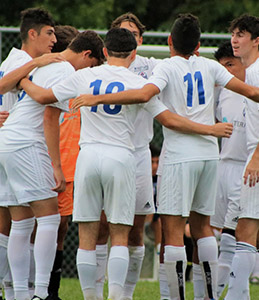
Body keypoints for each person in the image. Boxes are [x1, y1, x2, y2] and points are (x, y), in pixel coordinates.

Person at [19, 27, 233, 300]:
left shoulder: (84, 75)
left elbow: (43, 97)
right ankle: (118, 296)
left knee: (87, 234)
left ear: (105, 52)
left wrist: (23, 80)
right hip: (121, 157)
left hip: (88, 156)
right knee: (120, 234)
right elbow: (167, 118)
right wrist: (210, 129)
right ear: (134, 55)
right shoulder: (136, 84)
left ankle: (90, 297)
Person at [69, 14, 259, 300]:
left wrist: (98, 98)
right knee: (204, 228)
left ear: (169, 42)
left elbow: (144, 94)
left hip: (178, 156)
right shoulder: (211, 66)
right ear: (199, 45)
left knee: (172, 233)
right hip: (209, 155)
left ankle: (174, 297)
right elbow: (253, 92)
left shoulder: (166, 68)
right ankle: (206, 296)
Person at [0, 30, 104, 300]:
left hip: (7, 140)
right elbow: (48, 117)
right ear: (86, 55)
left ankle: (19, 294)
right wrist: (56, 166)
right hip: (26, 142)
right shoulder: (66, 71)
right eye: (91, 65)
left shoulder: (48, 65)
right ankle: (42, 293)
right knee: (49, 218)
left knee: (21, 223)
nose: (88, 71)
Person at [95, 13, 161, 300]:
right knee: (99, 228)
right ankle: (95, 292)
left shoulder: (154, 67)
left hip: (137, 155)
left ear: (141, 39)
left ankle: (126, 295)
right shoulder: (100, 67)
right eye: (123, 32)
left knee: (135, 231)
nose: (129, 37)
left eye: (133, 33)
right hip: (104, 152)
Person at [0, 7, 65, 300]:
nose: (54, 39)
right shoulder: (20, 60)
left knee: (18, 222)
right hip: (17, 146)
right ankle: (30, 291)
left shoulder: (27, 62)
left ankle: (18, 292)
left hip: (12, 146)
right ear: (32, 33)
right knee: (24, 221)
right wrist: (34, 64)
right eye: (49, 33)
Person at [224, 14, 259, 300]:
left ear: (256, 40)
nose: (235, 39)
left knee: (246, 228)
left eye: (242, 34)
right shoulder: (250, 72)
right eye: (233, 34)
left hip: (256, 158)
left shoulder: (258, 72)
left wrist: (257, 155)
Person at [209, 41, 247, 299]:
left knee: (232, 238)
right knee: (215, 233)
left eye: (230, 64)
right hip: (222, 167)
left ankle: (216, 295)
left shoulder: (254, 90)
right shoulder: (222, 91)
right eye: (222, 66)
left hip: (247, 171)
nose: (226, 71)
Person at [46, 24, 79, 300]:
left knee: (60, 228)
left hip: (67, 168)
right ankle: (23, 286)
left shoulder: (84, 83)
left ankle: (51, 291)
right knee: (29, 227)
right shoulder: (41, 78)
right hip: (39, 162)